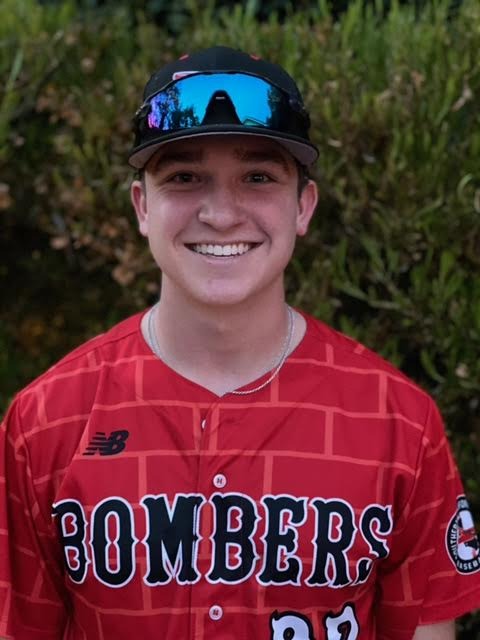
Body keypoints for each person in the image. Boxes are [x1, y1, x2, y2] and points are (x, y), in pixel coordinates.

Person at [1, 45, 479, 640]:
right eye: (184, 177)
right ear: (142, 206)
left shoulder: (399, 421)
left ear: (303, 206)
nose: (222, 214)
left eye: (258, 177)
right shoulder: (46, 420)